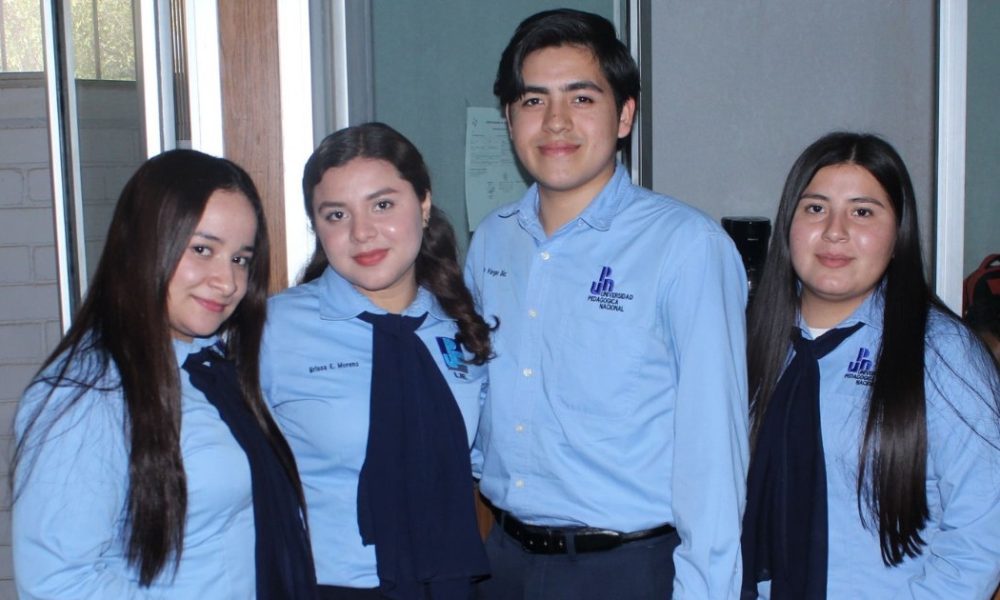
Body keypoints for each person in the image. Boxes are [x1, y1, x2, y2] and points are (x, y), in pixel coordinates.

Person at [465, 9, 749, 599]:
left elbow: (714, 452)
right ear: (509, 119)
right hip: (503, 561)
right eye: (534, 100)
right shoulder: (492, 240)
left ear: (624, 115)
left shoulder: (685, 247)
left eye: (582, 98)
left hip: (627, 568)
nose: (556, 121)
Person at [12, 150, 317, 598]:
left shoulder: (213, 369)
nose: (228, 282)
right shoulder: (89, 392)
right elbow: (58, 583)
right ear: (145, 244)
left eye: (240, 259)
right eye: (202, 250)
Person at [741, 132, 1000, 599]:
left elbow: (981, 533)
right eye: (815, 208)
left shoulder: (942, 353)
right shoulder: (746, 343)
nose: (834, 231)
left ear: (898, 234)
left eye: (862, 212)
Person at [260, 122, 493, 600]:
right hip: (328, 586)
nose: (362, 233)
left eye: (382, 205)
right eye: (336, 214)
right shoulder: (272, 330)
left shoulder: (461, 325)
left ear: (423, 205)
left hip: (450, 584)